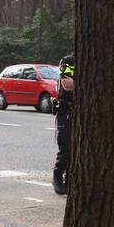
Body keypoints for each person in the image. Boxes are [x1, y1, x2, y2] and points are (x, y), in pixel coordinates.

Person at [52, 52, 75, 195]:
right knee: (66, 144)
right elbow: (67, 84)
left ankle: (70, 179)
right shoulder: (68, 61)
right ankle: (58, 176)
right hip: (67, 108)